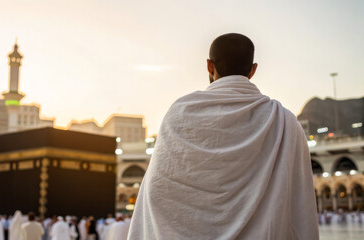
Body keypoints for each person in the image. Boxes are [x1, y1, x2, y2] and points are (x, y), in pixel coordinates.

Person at [127, 33, 319, 239]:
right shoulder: (284, 121)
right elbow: (300, 201)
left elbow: (158, 188)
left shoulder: (181, 112)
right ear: (253, 70)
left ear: (210, 66)